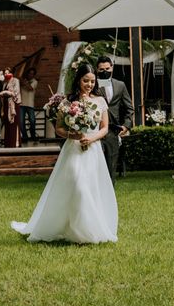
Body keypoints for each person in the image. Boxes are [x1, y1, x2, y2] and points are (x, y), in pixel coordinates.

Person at [11, 64, 117, 243]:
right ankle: (70, 226)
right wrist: (74, 135)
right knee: (77, 183)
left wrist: (92, 139)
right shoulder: (68, 102)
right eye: (86, 81)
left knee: (89, 187)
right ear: (78, 80)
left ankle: (87, 229)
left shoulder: (100, 101)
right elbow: (59, 128)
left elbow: (105, 128)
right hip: (73, 149)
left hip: (93, 149)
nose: (89, 84)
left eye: (92, 81)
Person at [96, 56, 134, 183]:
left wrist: (126, 125)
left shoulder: (120, 85)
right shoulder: (92, 84)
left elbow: (129, 108)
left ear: (112, 68)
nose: (104, 71)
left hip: (113, 130)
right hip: (96, 129)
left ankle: (110, 193)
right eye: (101, 69)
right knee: (96, 163)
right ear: (97, 70)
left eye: (107, 68)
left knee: (111, 163)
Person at [2, 66, 22, 148]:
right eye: (5, 73)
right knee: (7, 123)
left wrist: (8, 92)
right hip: (6, 104)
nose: (7, 74)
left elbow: (16, 91)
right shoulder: (5, 83)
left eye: (8, 73)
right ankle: (8, 142)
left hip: (14, 104)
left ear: (12, 73)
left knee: (14, 122)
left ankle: (15, 142)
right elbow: (2, 93)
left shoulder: (15, 80)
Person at [20, 67, 39, 142]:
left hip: (30, 104)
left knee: (32, 121)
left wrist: (24, 82)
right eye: (29, 73)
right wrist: (22, 81)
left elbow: (30, 88)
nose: (30, 75)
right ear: (27, 74)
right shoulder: (22, 81)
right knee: (21, 122)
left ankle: (33, 136)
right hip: (21, 104)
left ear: (34, 75)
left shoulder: (35, 81)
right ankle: (25, 137)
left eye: (32, 74)